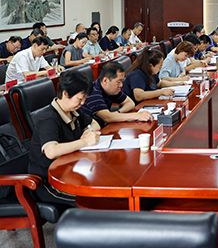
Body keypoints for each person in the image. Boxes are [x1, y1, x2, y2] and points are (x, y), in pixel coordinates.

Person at [28, 71, 101, 206]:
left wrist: (88, 131)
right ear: (66, 94)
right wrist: (84, 142)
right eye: (80, 99)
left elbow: (95, 123)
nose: (83, 103)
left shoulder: (73, 111)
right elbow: (51, 151)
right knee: (94, 200)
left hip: (71, 172)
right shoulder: (48, 118)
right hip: (50, 183)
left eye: (84, 99)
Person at [79, 62, 153, 128]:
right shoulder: (93, 92)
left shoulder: (111, 89)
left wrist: (118, 113)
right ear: (105, 80)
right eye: (118, 82)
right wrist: (137, 116)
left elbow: (130, 103)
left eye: (122, 81)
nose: (121, 85)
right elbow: (108, 117)